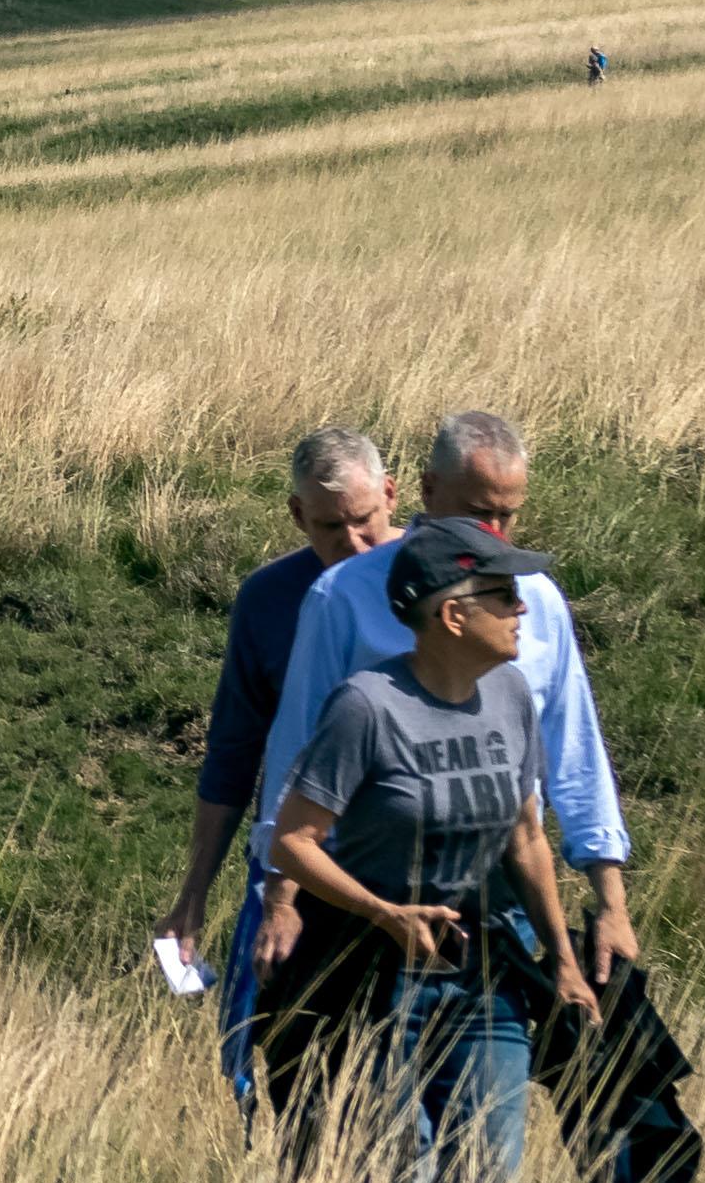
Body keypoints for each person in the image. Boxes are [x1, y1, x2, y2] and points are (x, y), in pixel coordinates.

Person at [265, 515, 597, 1183]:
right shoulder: (367, 706)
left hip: (481, 981)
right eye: (503, 593)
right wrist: (381, 910)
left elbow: (525, 836)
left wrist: (563, 959)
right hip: (372, 983)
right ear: (451, 612)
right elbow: (293, 842)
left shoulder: (511, 695)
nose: (523, 607)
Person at [240, 413, 642, 1017]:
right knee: (362, 1093)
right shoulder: (345, 595)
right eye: (481, 513)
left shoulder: (537, 601)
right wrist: (281, 899)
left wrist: (611, 902)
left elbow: (575, 753)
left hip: (507, 896)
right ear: (426, 493)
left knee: (520, 1088)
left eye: (510, 514)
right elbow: (298, 753)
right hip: (371, 897)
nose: (498, 532)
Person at [162, 427, 398, 1106]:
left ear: (391, 493)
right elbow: (234, 751)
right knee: (299, 1071)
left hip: (409, 865)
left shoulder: (437, 583)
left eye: (365, 521)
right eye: (329, 527)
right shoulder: (268, 601)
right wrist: (193, 894)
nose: (352, 543)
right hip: (302, 871)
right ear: (296, 515)